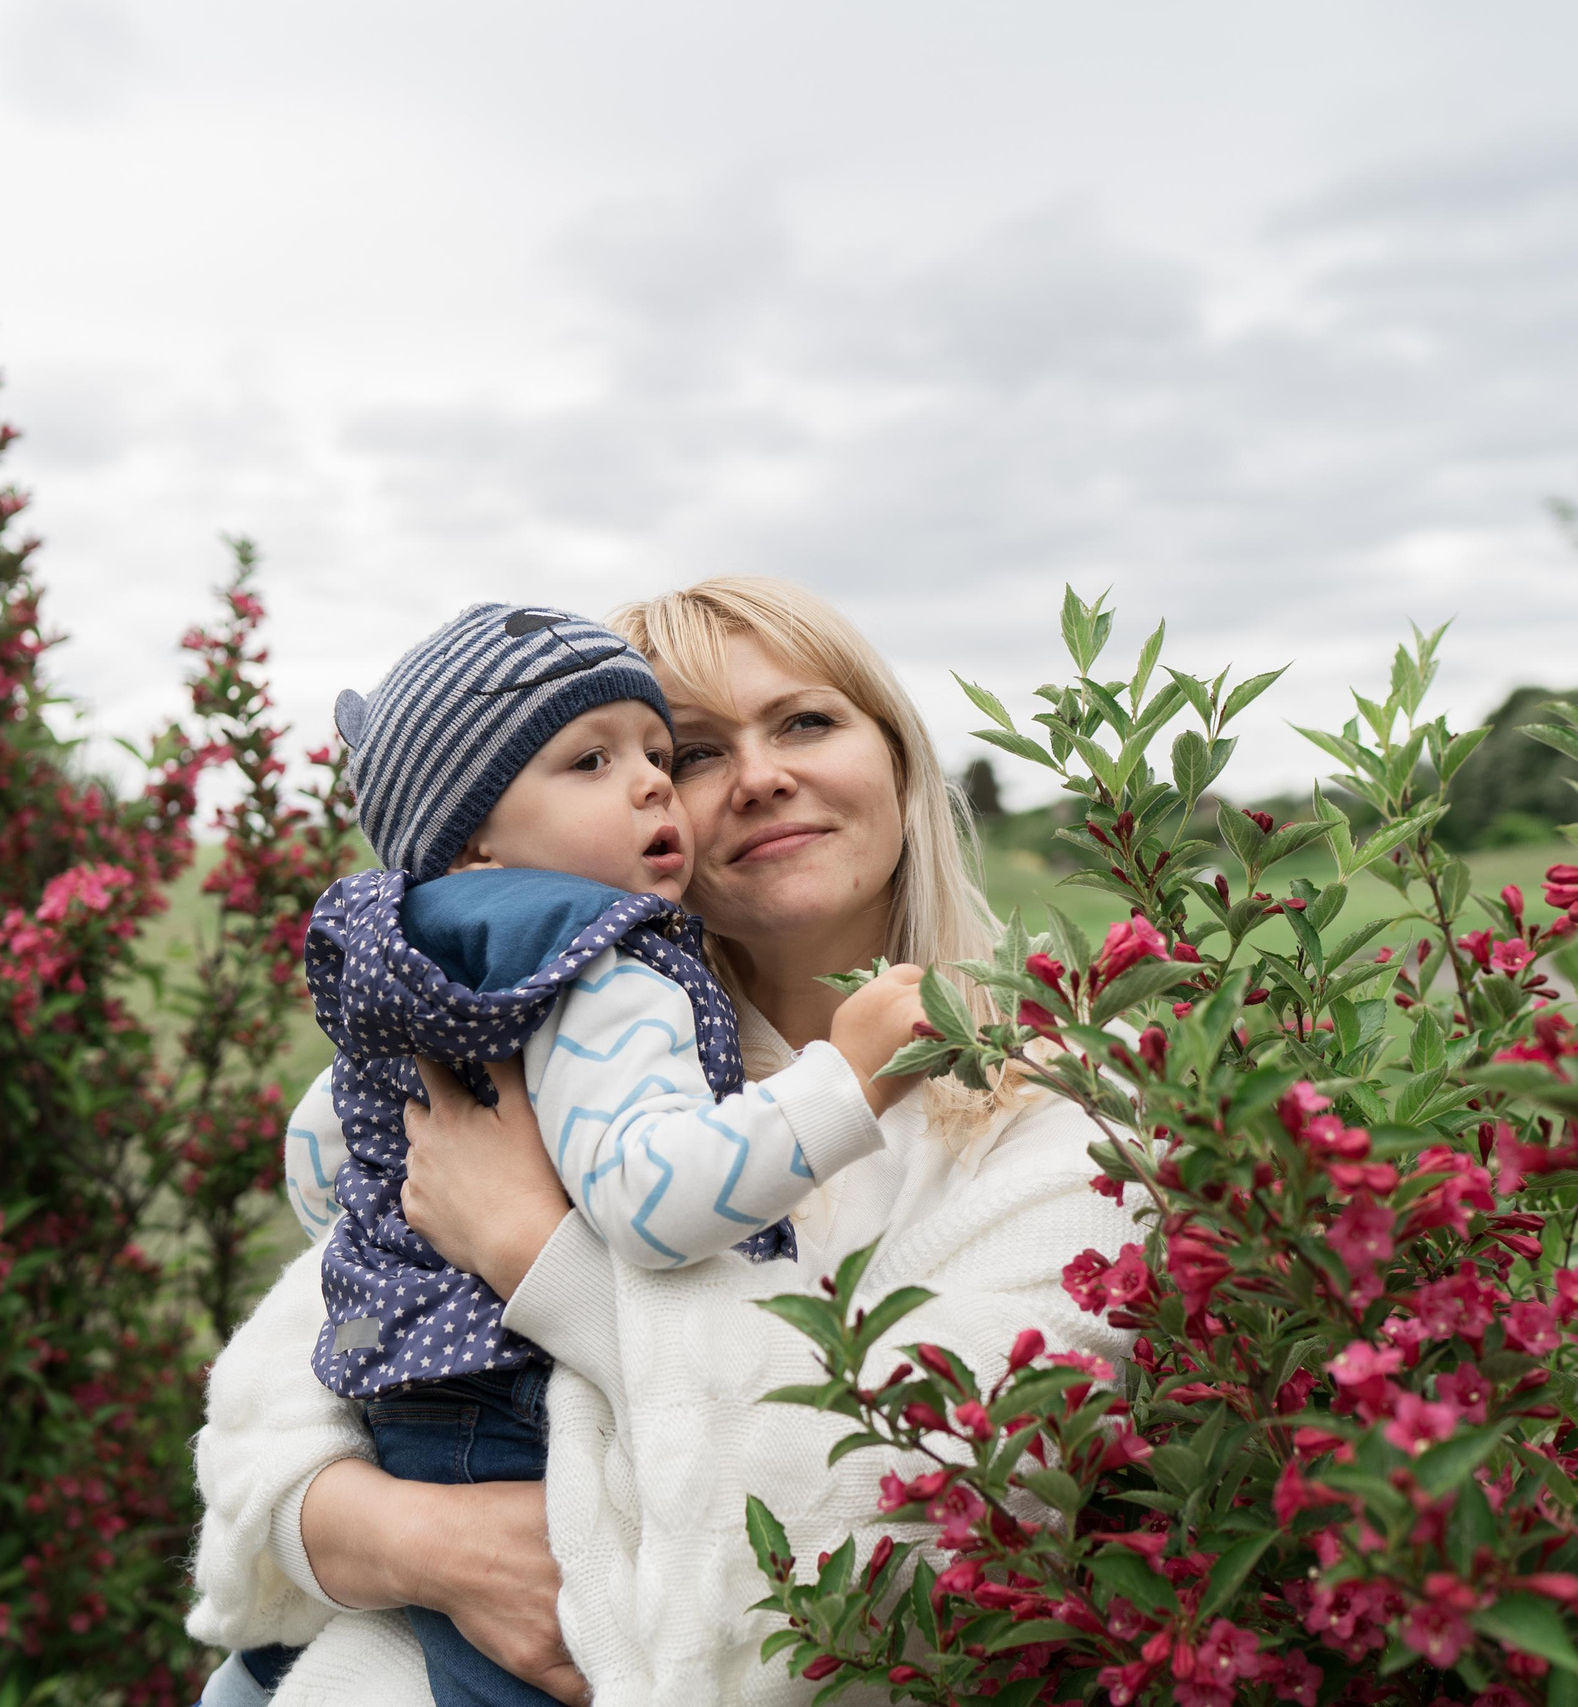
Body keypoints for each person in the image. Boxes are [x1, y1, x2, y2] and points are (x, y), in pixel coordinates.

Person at [189, 579, 1142, 1706]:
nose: (758, 776)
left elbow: (932, 1509)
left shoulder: (1071, 1099)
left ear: (896, 756)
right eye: (692, 752)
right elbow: (272, 1403)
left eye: (804, 721)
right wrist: (398, 1535)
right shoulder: (555, 1056)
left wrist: (534, 1252)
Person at [264, 601, 932, 1707]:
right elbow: (650, 1201)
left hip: (417, 1395)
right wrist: (843, 1083)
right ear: (473, 834)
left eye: (662, 755)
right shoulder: (611, 981)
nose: (658, 785)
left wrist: (484, 1238)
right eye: (598, 759)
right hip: (516, 1433)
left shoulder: (444, 978)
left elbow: (316, 1156)